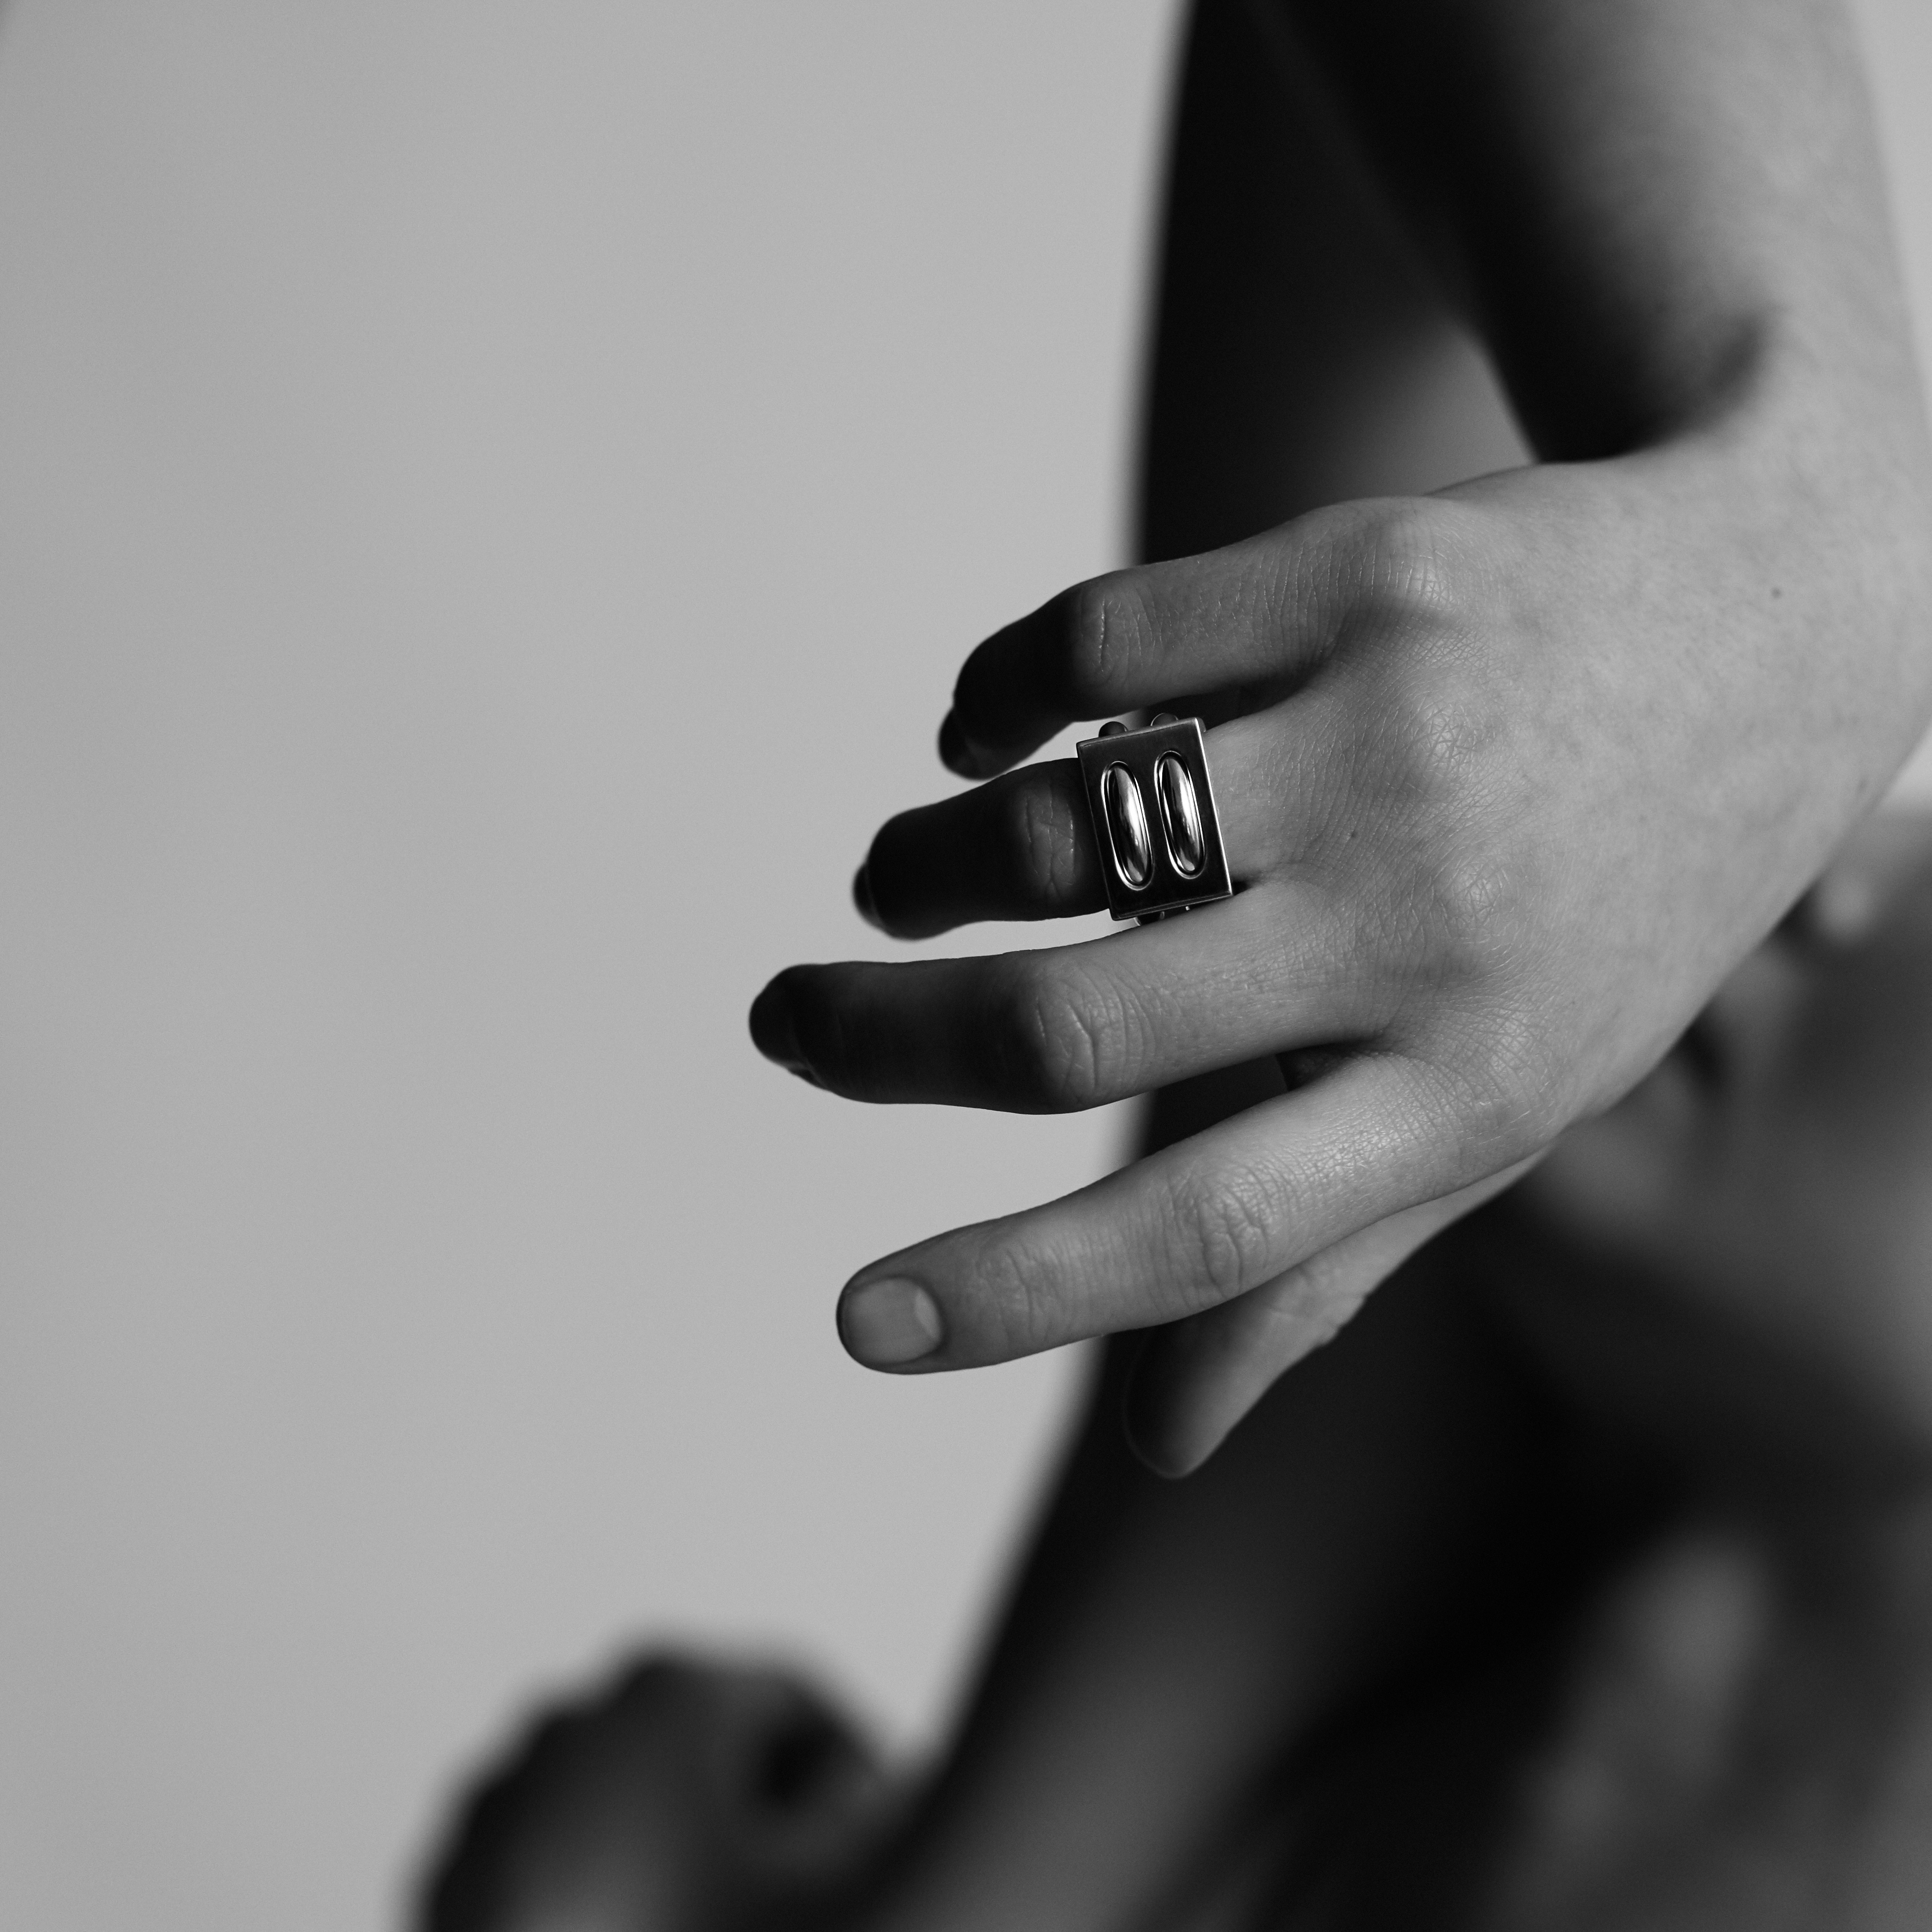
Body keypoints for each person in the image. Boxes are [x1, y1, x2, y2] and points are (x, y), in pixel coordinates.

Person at [421, 1, 1932, 1924]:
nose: (1786, 859)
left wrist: (1804, 511)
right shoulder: (1463, 1255)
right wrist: (1805, 512)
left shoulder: (1438, 1258)